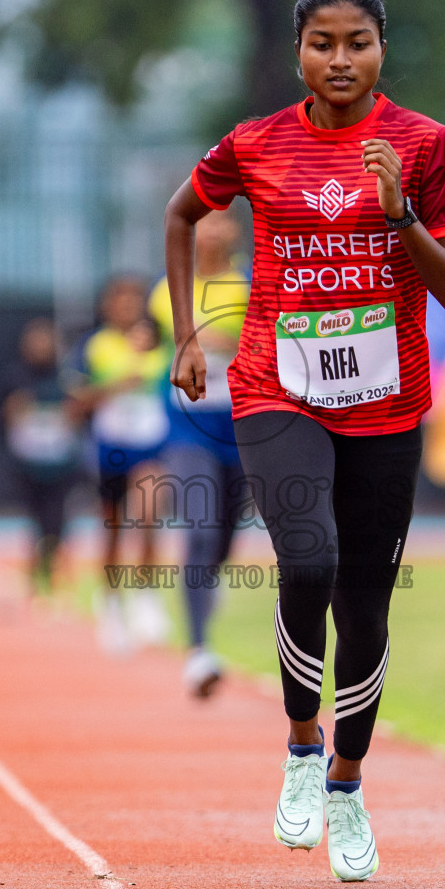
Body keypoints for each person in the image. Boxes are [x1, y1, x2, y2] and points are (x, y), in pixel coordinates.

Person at [162, 0, 445, 881]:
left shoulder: (422, 147)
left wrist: (400, 214)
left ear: (383, 49)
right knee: (308, 561)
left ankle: (346, 783)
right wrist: (188, 333)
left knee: (367, 605)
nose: (341, 60)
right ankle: (302, 745)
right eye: (323, 44)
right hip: (276, 386)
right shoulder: (255, 144)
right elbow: (184, 212)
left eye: (359, 43)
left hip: (388, 398)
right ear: (299, 50)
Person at [148, 213, 251, 698]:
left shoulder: (251, 281)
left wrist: (220, 341)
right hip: (187, 427)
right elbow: (169, 343)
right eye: (203, 222)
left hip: (242, 423)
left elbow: (261, 340)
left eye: (221, 223)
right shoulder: (171, 288)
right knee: (200, 529)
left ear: (233, 232)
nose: (211, 231)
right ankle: (198, 649)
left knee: (226, 536)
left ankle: (207, 583)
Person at [77, 275, 173, 653]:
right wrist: (118, 385)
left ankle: (146, 594)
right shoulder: (95, 347)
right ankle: (112, 604)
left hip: (151, 445)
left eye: (135, 299)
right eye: (120, 299)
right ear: (107, 306)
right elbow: (76, 400)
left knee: (150, 513)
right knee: (114, 529)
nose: (128, 306)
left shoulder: (161, 344)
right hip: (111, 447)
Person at [0, 318, 83, 607]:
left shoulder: (66, 377)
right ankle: (37, 577)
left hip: (60, 462)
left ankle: (53, 577)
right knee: (37, 521)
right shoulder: (15, 377)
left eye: (45, 340)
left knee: (57, 520)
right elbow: (4, 414)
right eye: (35, 341)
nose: (40, 346)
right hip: (28, 462)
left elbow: (79, 410)